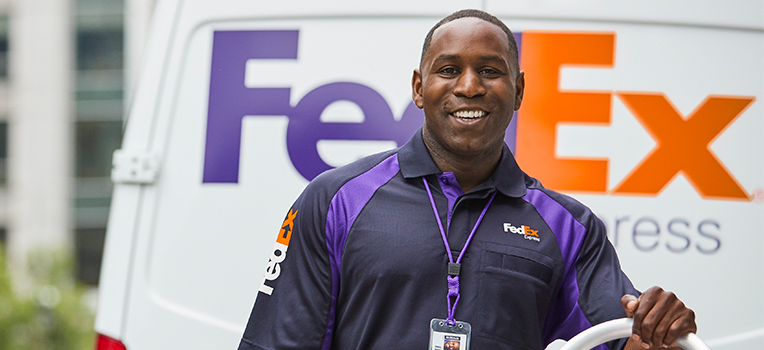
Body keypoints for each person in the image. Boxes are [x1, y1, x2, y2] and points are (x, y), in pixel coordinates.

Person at [238, 9, 697, 350]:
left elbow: (624, 342)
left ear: (518, 90)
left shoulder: (568, 227)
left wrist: (663, 329)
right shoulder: (336, 199)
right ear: (419, 88)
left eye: (490, 71)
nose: (470, 86)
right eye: (449, 69)